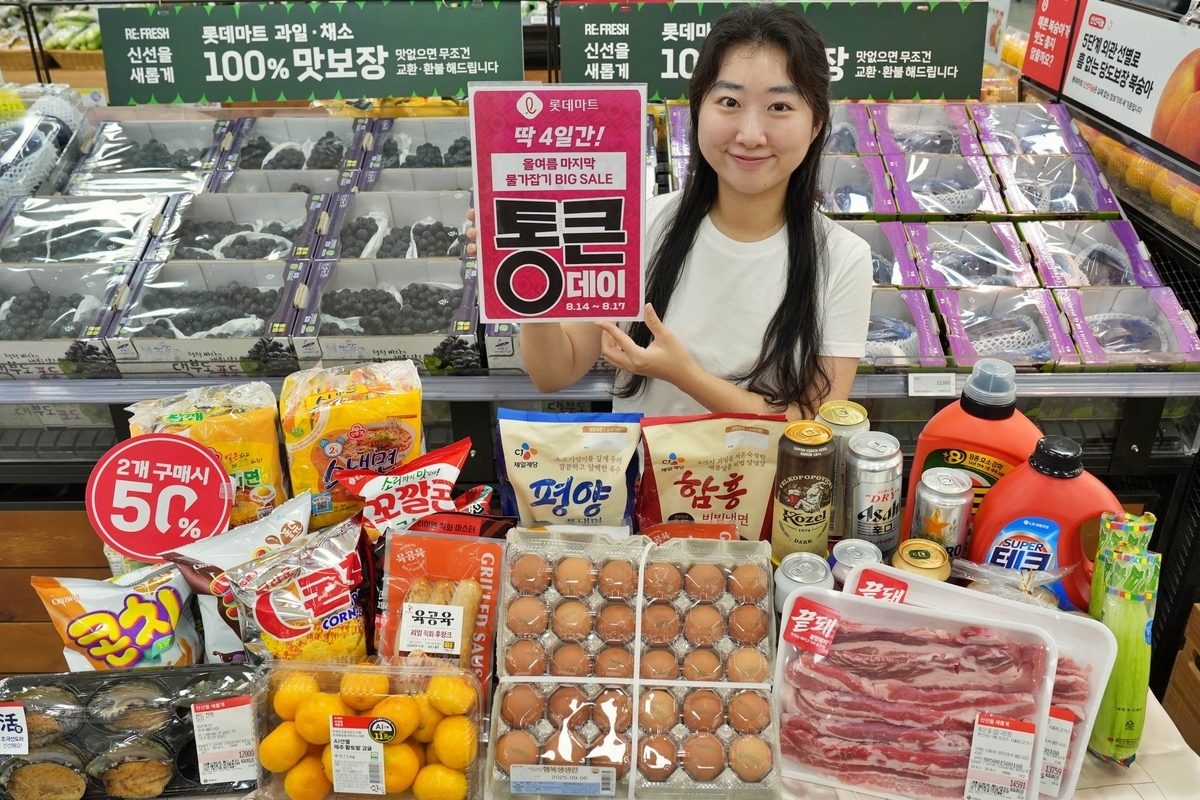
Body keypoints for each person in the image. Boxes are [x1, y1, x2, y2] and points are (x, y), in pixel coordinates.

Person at [471, 4, 871, 419]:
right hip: (646, 465)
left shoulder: (843, 258)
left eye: (780, 107)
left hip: (773, 466)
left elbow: (815, 418)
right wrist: (524, 265)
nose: (750, 135)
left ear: (816, 123)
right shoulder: (638, 225)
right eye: (729, 101)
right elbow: (555, 372)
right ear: (697, 110)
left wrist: (685, 375)